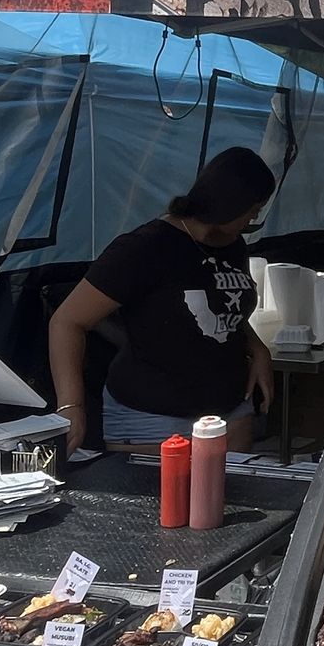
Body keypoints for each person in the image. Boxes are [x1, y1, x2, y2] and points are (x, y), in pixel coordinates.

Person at [49, 146, 277, 454]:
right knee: (159, 489)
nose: (253, 219)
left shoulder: (232, 245)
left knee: (229, 487)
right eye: (253, 210)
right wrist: (71, 405)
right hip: (152, 417)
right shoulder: (144, 249)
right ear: (229, 204)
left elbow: (223, 308)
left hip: (229, 411)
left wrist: (257, 348)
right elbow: (67, 321)